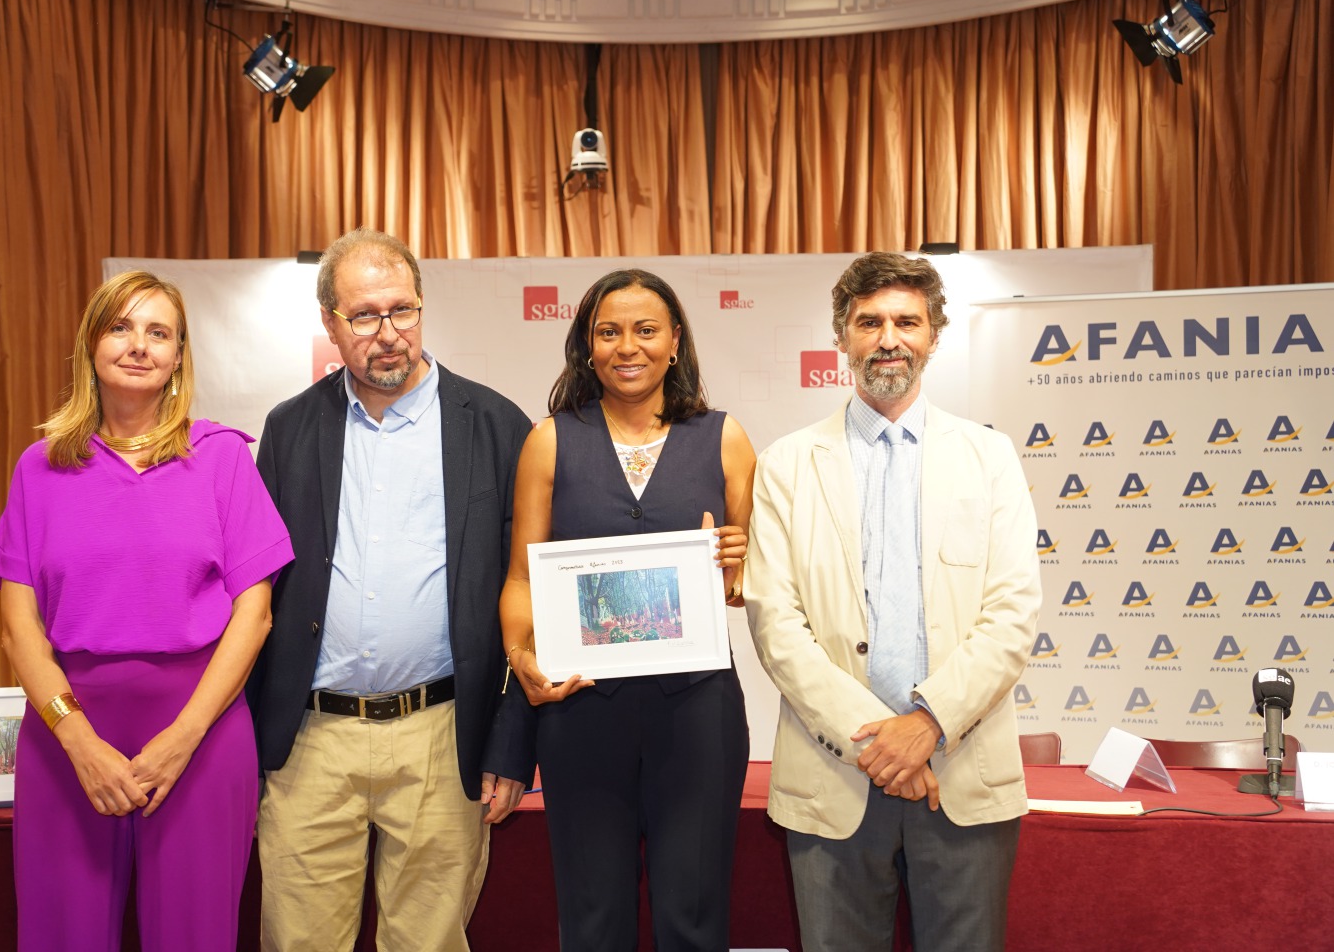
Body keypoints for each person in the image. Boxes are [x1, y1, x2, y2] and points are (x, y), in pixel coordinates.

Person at [0, 272, 293, 952]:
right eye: (121, 327)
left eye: (159, 332)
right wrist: (79, 742)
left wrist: (182, 739)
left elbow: (254, 614)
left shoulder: (222, 459)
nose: (139, 346)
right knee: (64, 937)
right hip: (66, 734)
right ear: (92, 344)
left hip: (201, 734)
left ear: (180, 356)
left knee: (194, 937)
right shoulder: (39, 467)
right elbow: (18, 627)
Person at [743, 252, 1042, 951]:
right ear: (842, 339)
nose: (888, 338)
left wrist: (928, 725)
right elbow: (775, 622)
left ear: (934, 336)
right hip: (835, 775)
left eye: (907, 321)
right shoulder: (788, 464)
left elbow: (1012, 614)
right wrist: (882, 742)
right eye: (868, 322)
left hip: (962, 777)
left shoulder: (989, 457)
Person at [249, 228, 534, 952]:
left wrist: (510, 740)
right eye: (365, 316)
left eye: (402, 310)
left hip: (443, 735)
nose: (389, 334)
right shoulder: (289, 429)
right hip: (311, 738)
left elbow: (532, 598)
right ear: (330, 325)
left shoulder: (498, 428)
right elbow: (258, 591)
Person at [500, 269, 756, 951]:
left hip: (697, 714)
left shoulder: (725, 438)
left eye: (646, 330)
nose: (627, 346)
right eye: (609, 331)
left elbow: (744, 586)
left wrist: (739, 562)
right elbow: (522, 577)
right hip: (583, 713)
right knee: (592, 921)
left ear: (675, 341)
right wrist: (521, 656)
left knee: (693, 919)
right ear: (588, 344)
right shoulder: (549, 440)